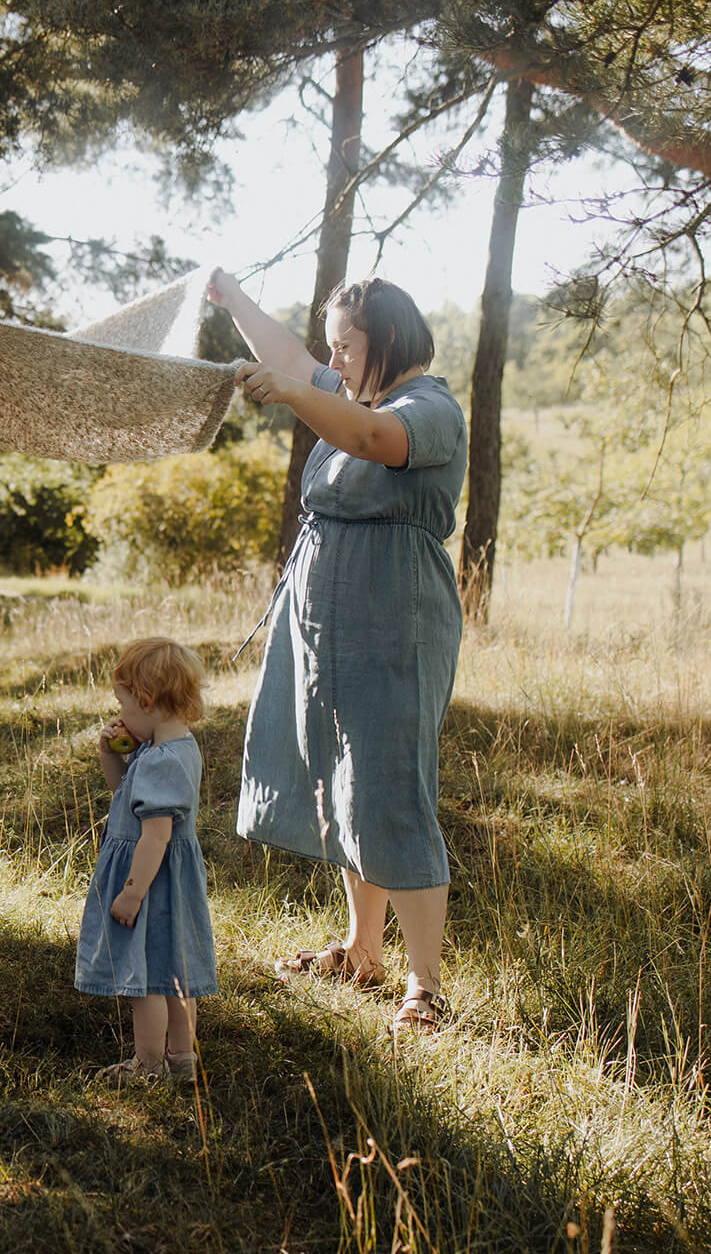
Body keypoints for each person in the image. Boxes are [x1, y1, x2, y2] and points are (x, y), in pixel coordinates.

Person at [206, 269, 467, 1035]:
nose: (335, 361)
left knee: (391, 786)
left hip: (395, 620)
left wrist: (293, 394)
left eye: (347, 346)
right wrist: (231, 297)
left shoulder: (428, 408)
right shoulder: (351, 391)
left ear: (389, 339)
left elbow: (370, 440)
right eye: (333, 348)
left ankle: (426, 988)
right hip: (326, 621)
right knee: (345, 781)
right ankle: (363, 950)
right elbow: (290, 358)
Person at [76, 637, 217, 1084]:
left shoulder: (159, 761)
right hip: (172, 879)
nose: (119, 714)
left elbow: (156, 836)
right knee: (175, 974)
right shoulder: (174, 749)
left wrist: (132, 892)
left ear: (147, 700)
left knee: (148, 979)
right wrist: (109, 753)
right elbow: (124, 792)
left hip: (150, 880)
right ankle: (182, 1059)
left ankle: (148, 1064)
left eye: (123, 704)